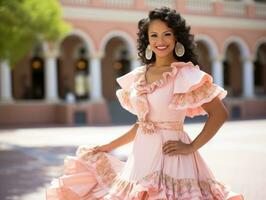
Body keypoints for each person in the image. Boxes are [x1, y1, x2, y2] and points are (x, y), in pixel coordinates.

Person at [46, 7, 244, 200]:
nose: (160, 41)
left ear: (177, 38)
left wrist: (191, 147)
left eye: (167, 34)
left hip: (172, 160)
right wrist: (108, 146)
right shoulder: (140, 76)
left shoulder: (186, 74)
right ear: (147, 40)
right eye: (154, 35)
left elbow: (219, 114)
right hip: (140, 160)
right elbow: (142, 124)